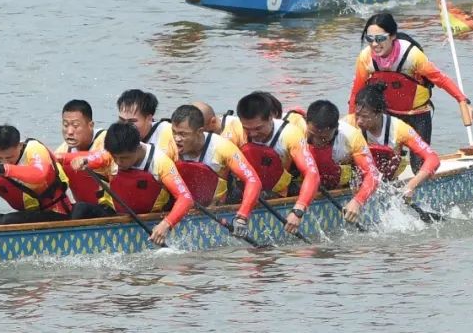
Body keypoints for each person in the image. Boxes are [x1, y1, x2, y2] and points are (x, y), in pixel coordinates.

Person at [348, 12, 472, 172]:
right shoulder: (365, 58)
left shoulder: (412, 56)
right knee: (381, 164)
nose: (374, 44)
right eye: (369, 39)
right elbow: (356, 92)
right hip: (388, 115)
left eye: (380, 39)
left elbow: (440, 79)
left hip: (417, 116)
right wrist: (353, 121)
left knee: (418, 166)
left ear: (392, 36)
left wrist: (462, 99)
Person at [222, 92, 319, 235]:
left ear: (270, 118)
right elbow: (220, 169)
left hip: (277, 189)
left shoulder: (290, 134)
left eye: (258, 128)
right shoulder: (234, 129)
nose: (253, 134)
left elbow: (312, 173)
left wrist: (298, 210)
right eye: (247, 129)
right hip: (242, 186)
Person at [170, 105, 261, 238]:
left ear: (200, 131)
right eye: (174, 132)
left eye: (183, 134)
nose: (177, 139)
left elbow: (253, 180)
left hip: (218, 205)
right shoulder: (167, 145)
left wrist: (242, 217)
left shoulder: (222, 147)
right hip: (180, 204)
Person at [101, 122, 194, 245]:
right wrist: (80, 161)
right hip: (123, 213)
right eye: (115, 157)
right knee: (81, 209)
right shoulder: (114, 152)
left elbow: (186, 198)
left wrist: (166, 224)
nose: (118, 162)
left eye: (124, 158)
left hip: (155, 217)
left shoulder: (161, 162)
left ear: (138, 149)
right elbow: (87, 158)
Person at [349, 84, 440, 199]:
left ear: (379, 113)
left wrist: (411, 185)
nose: (359, 121)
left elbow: (433, 159)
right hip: (356, 181)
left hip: (386, 180)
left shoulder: (399, 128)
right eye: (357, 115)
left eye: (365, 116)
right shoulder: (348, 124)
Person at [0, 125, 73, 226]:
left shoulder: (34, 148)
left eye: (9, 157)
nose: (4, 162)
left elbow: (40, 174)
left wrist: (5, 169)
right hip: (27, 214)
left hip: (57, 212)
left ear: (20, 146)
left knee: (1, 221)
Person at [303, 100, 379, 223]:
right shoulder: (295, 129)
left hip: (335, 177)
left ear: (336, 128)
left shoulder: (352, 137)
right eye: (312, 135)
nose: (317, 142)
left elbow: (372, 175)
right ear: (306, 123)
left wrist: (357, 201)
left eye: (324, 138)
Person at [53, 99, 115, 219]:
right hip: (83, 210)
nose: (69, 132)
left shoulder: (107, 139)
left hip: (112, 209)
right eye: (65, 125)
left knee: (79, 208)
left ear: (90, 125)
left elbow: (105, 156)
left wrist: (83, 159)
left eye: (76, 126)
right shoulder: (62, 151)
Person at [116, 89, 178, 158]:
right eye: (121, 120)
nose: (125, 126)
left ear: (149, 119)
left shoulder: (169, 133)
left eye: (132, 121)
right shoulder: (113, 135)